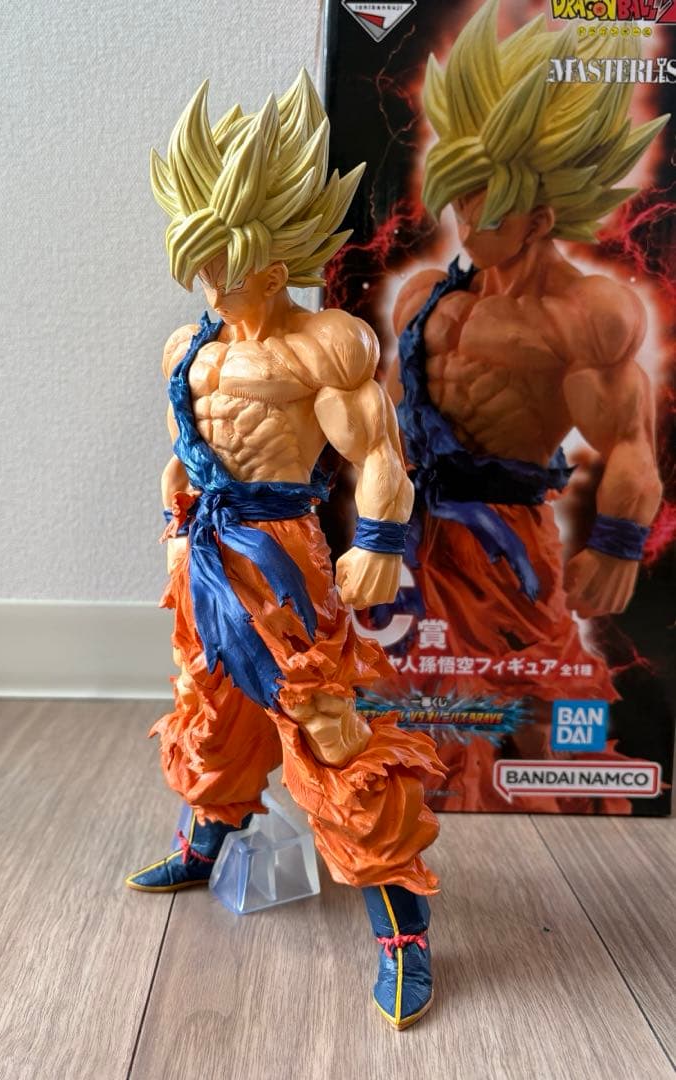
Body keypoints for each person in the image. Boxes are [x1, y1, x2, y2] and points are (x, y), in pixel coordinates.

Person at [126, 71, 445, 1029]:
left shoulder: (325, 346)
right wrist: (174, 526)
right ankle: (208, 841)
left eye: (221, 260)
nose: (207, 281)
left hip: (283, 556)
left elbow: (379, 453)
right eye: (198, 261)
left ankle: (401, 925)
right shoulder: (189, 347)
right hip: (203, 556)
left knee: (326, 724)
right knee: (209, 706)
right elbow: (182, 452)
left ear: (270, 258)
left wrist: (380, 540)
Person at [382, 0, 666, 808]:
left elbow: (631, 440)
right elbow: (382, 428)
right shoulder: (423, 300)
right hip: (420, 535)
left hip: (512, 538)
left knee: (546, 694)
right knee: (429, 709)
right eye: (461, 195)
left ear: (539, 217)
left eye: (483, 201)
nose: (464, 217)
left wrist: (616, 542)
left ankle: (567, 806)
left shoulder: (585, 316)